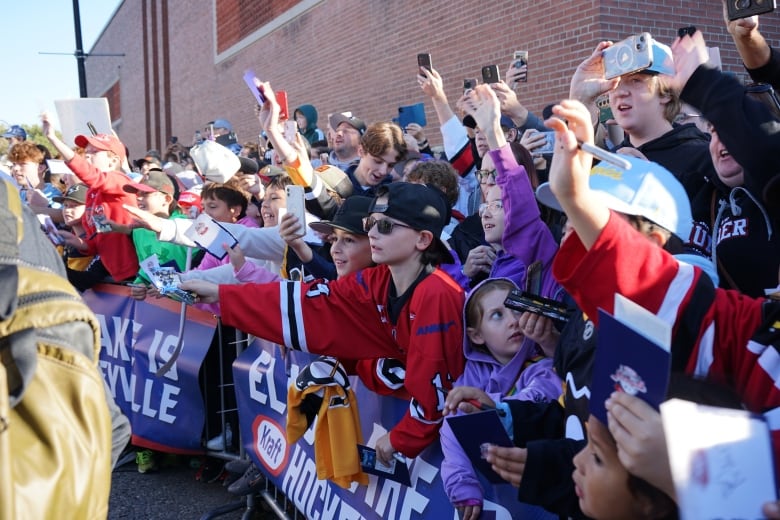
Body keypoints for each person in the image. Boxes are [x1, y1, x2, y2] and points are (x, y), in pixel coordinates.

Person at [540, 96, 780, 508]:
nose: (569, 232)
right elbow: (688, 307)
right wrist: (577, 199)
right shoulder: (759, 333)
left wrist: (687, 472)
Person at [182, 182, 465, 465]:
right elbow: (312, 302)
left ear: (424, 239)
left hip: (448, 443)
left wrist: (401, 437)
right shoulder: (376, 280)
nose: (374, 233)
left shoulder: (437, 293)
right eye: (371, 224)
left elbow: (437, 384)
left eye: (387, 227)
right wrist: (222, 295)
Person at [440, 278, 560, 520]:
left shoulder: (544, 365)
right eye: (497, 315)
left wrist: (489, 405)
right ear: (476, 336)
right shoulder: (474, 374)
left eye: (517, 308)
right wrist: (461, 483)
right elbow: (450, 425)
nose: (513, 321)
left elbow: (533, 404)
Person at [569, 40, 714, 200]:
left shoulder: (703, 159)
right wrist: (580, 99)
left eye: (636, 81)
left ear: (666, 93)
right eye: (614, 84)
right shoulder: (608, 162)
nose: (620, 92)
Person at [41, 113, 140, 290]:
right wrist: (74, 240)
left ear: (113, 161)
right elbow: (96, 240)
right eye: (86, 152)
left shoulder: (120, 180)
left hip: (133, 269)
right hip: (110, 266)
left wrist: (53, 139)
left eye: (94, 153)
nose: (87, 156)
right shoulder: (93, 192)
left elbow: (91, 175)